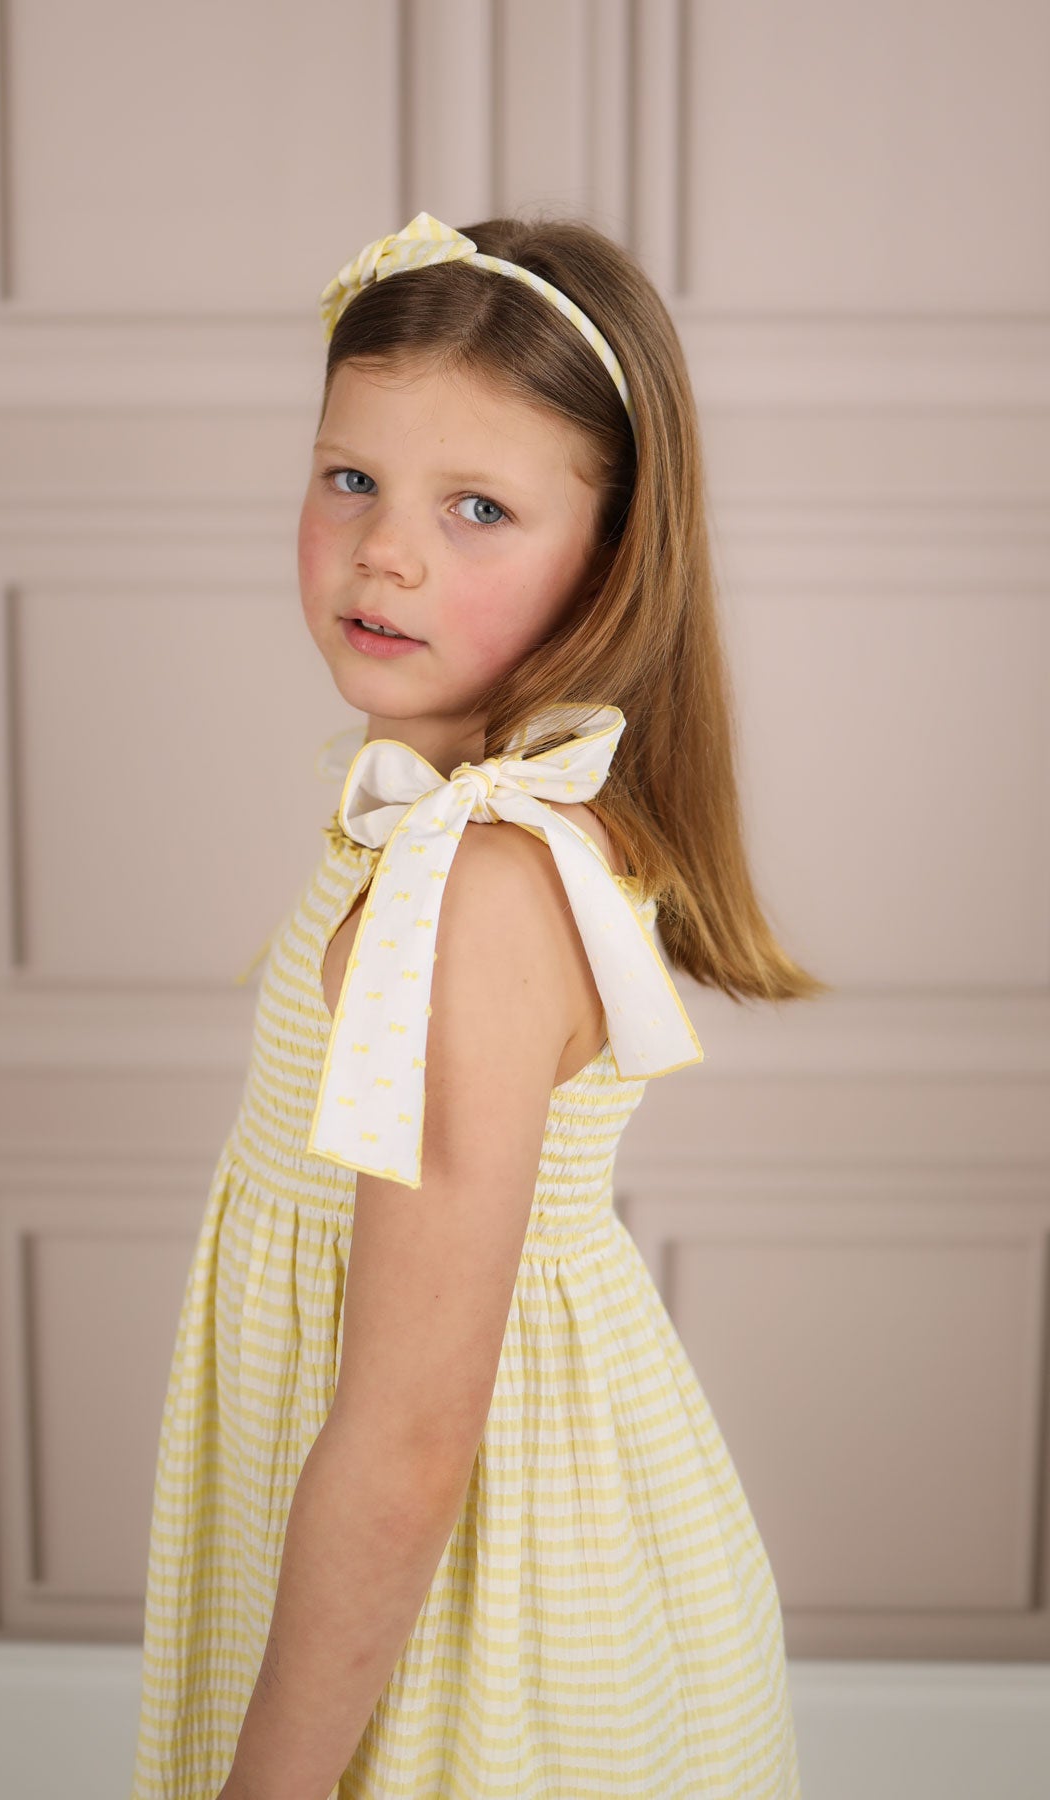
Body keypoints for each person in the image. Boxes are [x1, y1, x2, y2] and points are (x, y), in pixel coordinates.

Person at [130, 211, 825, 1800]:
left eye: (480, 508)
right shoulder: (431, 818)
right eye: (351, 475)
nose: (388, 550)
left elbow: (406, 1440)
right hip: (424, 1543)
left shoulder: (485, 886)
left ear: (612, 554)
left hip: (474, 1584)